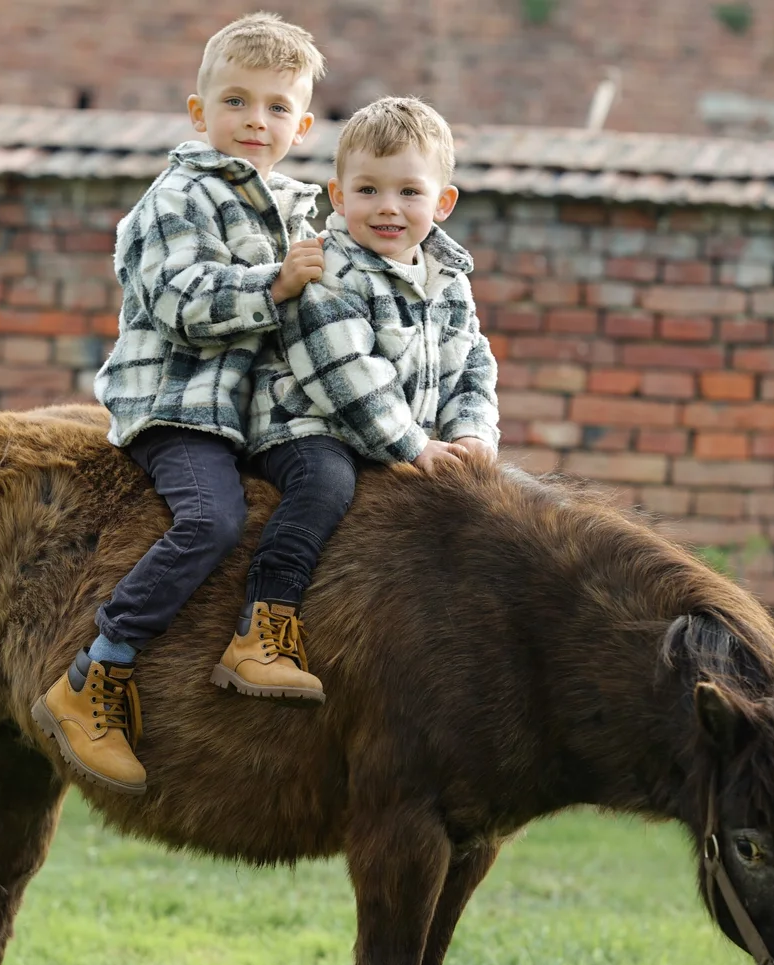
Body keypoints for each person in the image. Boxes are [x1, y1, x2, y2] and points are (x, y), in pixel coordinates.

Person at [33, 12, 327, 793]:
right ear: (200, 113)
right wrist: (276, 283)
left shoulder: (297, 209)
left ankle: (263, 636)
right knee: (212, 519)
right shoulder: (178, 197)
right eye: (236, 101)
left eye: (276, 107)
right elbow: (182, 301)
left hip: (249, 418)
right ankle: (98, 668)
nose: (256, 120)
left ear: (301, 126)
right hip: (180, 407)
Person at [222, 95, 500, 700]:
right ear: (339, 197)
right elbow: (345, 373)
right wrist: (412, 446)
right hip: (307, 425)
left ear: (443, 202)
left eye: (409, 192)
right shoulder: (328, 271)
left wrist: (470, 433)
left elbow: (472, 364)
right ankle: (263, 626)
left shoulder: (449, 281)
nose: (388, 207)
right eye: (368, 190)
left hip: (402, 436)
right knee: (326, 485)